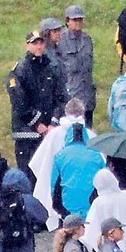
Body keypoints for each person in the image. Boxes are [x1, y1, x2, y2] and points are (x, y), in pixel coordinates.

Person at [6, 29, 65, 181]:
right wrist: (37, 123)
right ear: (27, 45)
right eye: (35, 43)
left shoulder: (50, 68)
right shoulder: (20, 70)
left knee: (48, 177)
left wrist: (53, 122)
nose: (39, 46)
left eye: (41, 43)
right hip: (26, 134)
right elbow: (19, 102)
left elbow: (60, 97)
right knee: (28, 177)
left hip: (48, 133)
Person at [29, 97, 93, 230]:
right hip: (86, 190)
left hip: (62, 190)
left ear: (66, 112)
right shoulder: (90, 135)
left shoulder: (54, 134)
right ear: (83, 113)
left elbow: (40, 162)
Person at [50, 121, 106, 219]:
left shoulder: (60, 156)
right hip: (93, 208)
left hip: (68, 208)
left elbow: (54, 186)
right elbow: (105, 180)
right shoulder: (96, 154)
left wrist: (59, 209)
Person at [56, 6, 96, 126]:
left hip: (87, 93)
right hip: (71, 94)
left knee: (88, 129)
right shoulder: (61, 41)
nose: (78, 22)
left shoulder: (87, 39)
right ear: (67, 21)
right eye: (74, 20)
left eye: (80, 19)